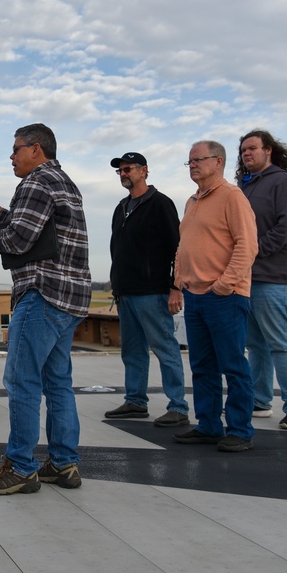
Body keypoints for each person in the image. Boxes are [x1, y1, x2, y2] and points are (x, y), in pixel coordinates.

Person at [0, 123, 91, 494]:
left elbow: (20, 240)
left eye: (16, 149)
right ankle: (64, 465)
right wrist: (1, 212)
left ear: (36, 149)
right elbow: (40, 231)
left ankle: (21, 467)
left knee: (22, 381)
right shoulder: (63, 182)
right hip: (70, 298)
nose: (11, 156)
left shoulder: (36, 182)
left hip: (42, 294)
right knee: (58, 383)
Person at [173, 140, 258, 453]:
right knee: (203, 366)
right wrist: (180, 276)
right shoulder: (192, 201)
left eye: (198, 160)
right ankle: (208, 425)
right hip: (195, 295)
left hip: (225, 296)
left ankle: (240, 430)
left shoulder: (232, 197)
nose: (193, 165)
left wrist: (225, 284)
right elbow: (184, 244)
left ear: (218, 161)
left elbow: (247, 245)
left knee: (233, 365)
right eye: (190, 161)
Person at [106, 152, 190, 427]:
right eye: (119, 170)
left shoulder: (160, 204)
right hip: (126, 292)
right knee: (132, 351)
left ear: (144, 171)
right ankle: (136, 401)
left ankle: (178, 406)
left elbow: (177, 248)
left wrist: (176, 286)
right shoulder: (120, 207)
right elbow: (117, 250)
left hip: (153, 292)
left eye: (128, 169)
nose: (123, 173)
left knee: (165, 348)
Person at [237, 130, 287, 430]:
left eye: (252, 148)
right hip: (247, 278)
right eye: (243, 150)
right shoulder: (245, 187)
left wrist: (251, 253)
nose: (247, 154)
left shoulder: (284, 182)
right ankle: (259, 400)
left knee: (281, 343)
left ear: (269, 150)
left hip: (275, 277)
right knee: (256, 345)